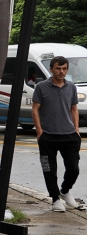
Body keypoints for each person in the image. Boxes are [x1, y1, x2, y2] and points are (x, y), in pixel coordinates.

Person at [32, 56, 81, 212]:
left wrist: (77, 130)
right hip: (48, 136)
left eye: (64, 68)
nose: (62, 71)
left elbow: (74, 109)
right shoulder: (41, 87)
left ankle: (65, 191)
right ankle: (55, 199)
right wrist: (39, 131)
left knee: (73, 168)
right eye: (58, 68)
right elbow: (35, 109)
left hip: (69, 135)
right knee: (49, 169)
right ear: (51, 69)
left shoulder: (71, 87)